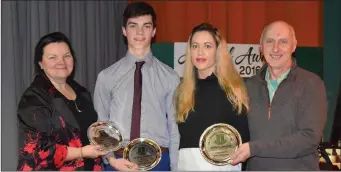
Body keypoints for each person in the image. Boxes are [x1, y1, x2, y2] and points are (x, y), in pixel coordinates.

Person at [93, 1, 180, 171]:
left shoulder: (170, 77)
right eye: (133, 26)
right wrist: (110, 160)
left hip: (159, 162)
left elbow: (174, 127)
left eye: (146, 26)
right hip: (118, 161)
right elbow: (101, 125)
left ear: (154, 31)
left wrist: (175, 167)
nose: (140, 32)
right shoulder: (106, 77)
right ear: (124, 31)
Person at [230, 21, 327, 170]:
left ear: (294, 46)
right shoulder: (249, 86)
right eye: (270, 41)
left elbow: (309, 138)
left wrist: (254, 148)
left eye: (283, 42)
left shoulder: (311, 84)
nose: (276, 48)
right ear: (261, 46)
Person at [17, 32, 108, 171]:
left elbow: (91, 132)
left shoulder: (81, 92)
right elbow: (36, 150)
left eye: (67, 56)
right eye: (52, 57)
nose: (62, 62)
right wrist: (82, 153)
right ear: (40, 63)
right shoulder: (34, 98)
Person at [175, 23, 250, 171]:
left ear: (217, 51)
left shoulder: (234, 89)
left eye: (207, 46)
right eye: (195, 46)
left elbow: (244, 141)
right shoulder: (182, 91)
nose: (200, 52)